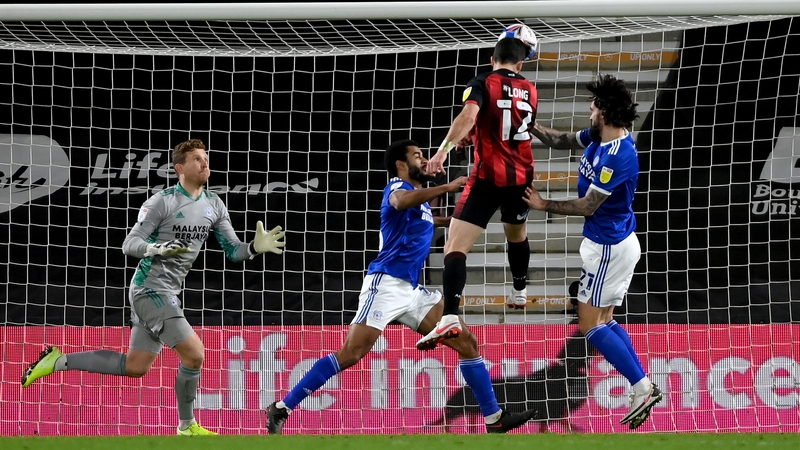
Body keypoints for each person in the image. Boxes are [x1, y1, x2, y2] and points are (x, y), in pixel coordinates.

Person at [265, 140, 536, 435]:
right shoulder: (397, 188)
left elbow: (430, 221)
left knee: (467, 343)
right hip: (386, 285)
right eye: (417, 156)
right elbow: (398, 202)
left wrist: (470, 219)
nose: (423, 160)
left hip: (413, 291)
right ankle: (282, 407)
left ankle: (494, 418)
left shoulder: (419, 204)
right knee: (351, 354)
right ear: (401, 165)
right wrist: (447, 188)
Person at [20, 138, 286, 436]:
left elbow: (233, 250)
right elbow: (129, 244)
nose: (205, 163)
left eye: (206, 157)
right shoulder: (163, 202)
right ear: (180, 168)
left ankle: (58, 360)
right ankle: (187, 427)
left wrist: (253, 247)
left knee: (136, 366)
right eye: (197, 159)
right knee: (195, 354)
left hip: (168, 292)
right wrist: (159, 249)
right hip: (149, 289)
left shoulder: (214, 204)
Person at [522, 74, 662, 430]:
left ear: (604, 111)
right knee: (607, 320)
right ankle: (643, 383)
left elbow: (588, 206)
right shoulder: (600, 137)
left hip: (608, 248)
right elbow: (564, 140)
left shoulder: (620, 155)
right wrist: (532, 126)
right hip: (616, 244)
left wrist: (543, 203)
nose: (589, 110)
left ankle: (641, 385)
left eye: (593, 105)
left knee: (589, 325)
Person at [417, 24, 540, 351]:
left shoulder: (481, 82)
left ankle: (451, 316)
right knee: (517, 234)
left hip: (487, 179)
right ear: (521, 63)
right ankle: (519, 289)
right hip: (521, 178)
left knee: (455, 247)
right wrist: (473, 138)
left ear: (491, 58)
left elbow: (470, 116)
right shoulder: (530, 89)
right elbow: (506, 124)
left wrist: (442, 151)